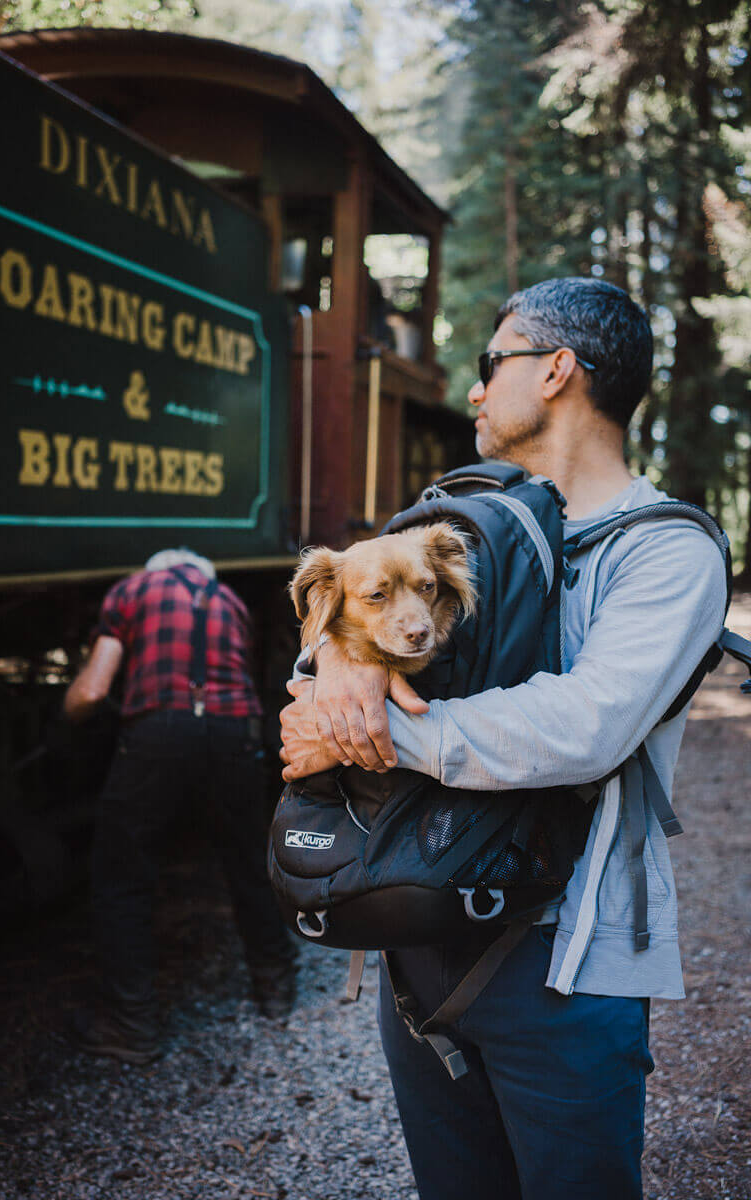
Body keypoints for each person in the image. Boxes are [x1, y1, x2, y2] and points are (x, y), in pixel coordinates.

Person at [280, 277, 727, 1199]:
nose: (475, 390)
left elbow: (587, 725)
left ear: (558, 370)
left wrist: (363, 736)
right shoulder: (451, 531)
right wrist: (338, 668)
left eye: (493, 363)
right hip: (416, 932)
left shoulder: (666, 551)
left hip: (566, 961)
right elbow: (333, 645)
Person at [64, 548, 296, 1065]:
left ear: (156, 570)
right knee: (247, 863)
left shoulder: (131, 589)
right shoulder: (231, 601)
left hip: (158, 733)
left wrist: (70, 710)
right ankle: (275, 990)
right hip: (236, 734)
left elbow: (92, 690)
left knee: (122, 873)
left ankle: (132, 1023)